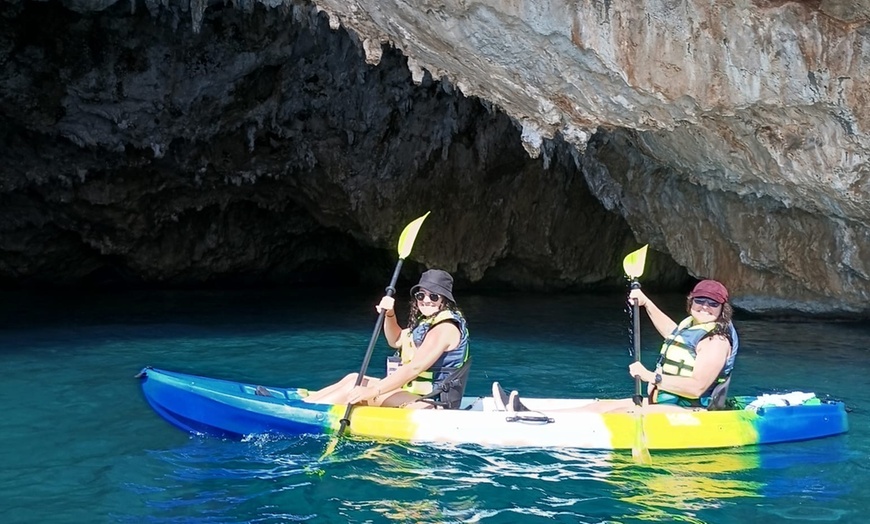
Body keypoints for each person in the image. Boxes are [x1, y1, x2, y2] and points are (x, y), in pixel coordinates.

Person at [511, 279, 738, 413]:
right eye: (700, 301)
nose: (705, 307)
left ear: (722, 308)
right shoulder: (692, 326)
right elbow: (673, 334)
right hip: (665, 403)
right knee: (598, 407)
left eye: (712, 304)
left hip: (689, 411)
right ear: (692, 302)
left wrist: (651, 377)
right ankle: (533, 414)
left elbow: (696, 388)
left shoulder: (715, 341)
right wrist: (646, 303)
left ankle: (538, 420)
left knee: (618, 413)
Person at [303, 269, 470, 409]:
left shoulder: (444, 328)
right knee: (354, 378)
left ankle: (306, 412)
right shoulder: (427, 323)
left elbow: (414, 368)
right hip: (416, 396)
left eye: (434, 297)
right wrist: (389, 314)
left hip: (433, 404)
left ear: (445, 301)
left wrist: (374, 391)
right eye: (421, 296)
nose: (426, 300)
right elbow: (396, 340)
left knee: (352, 389)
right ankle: (304, 404)